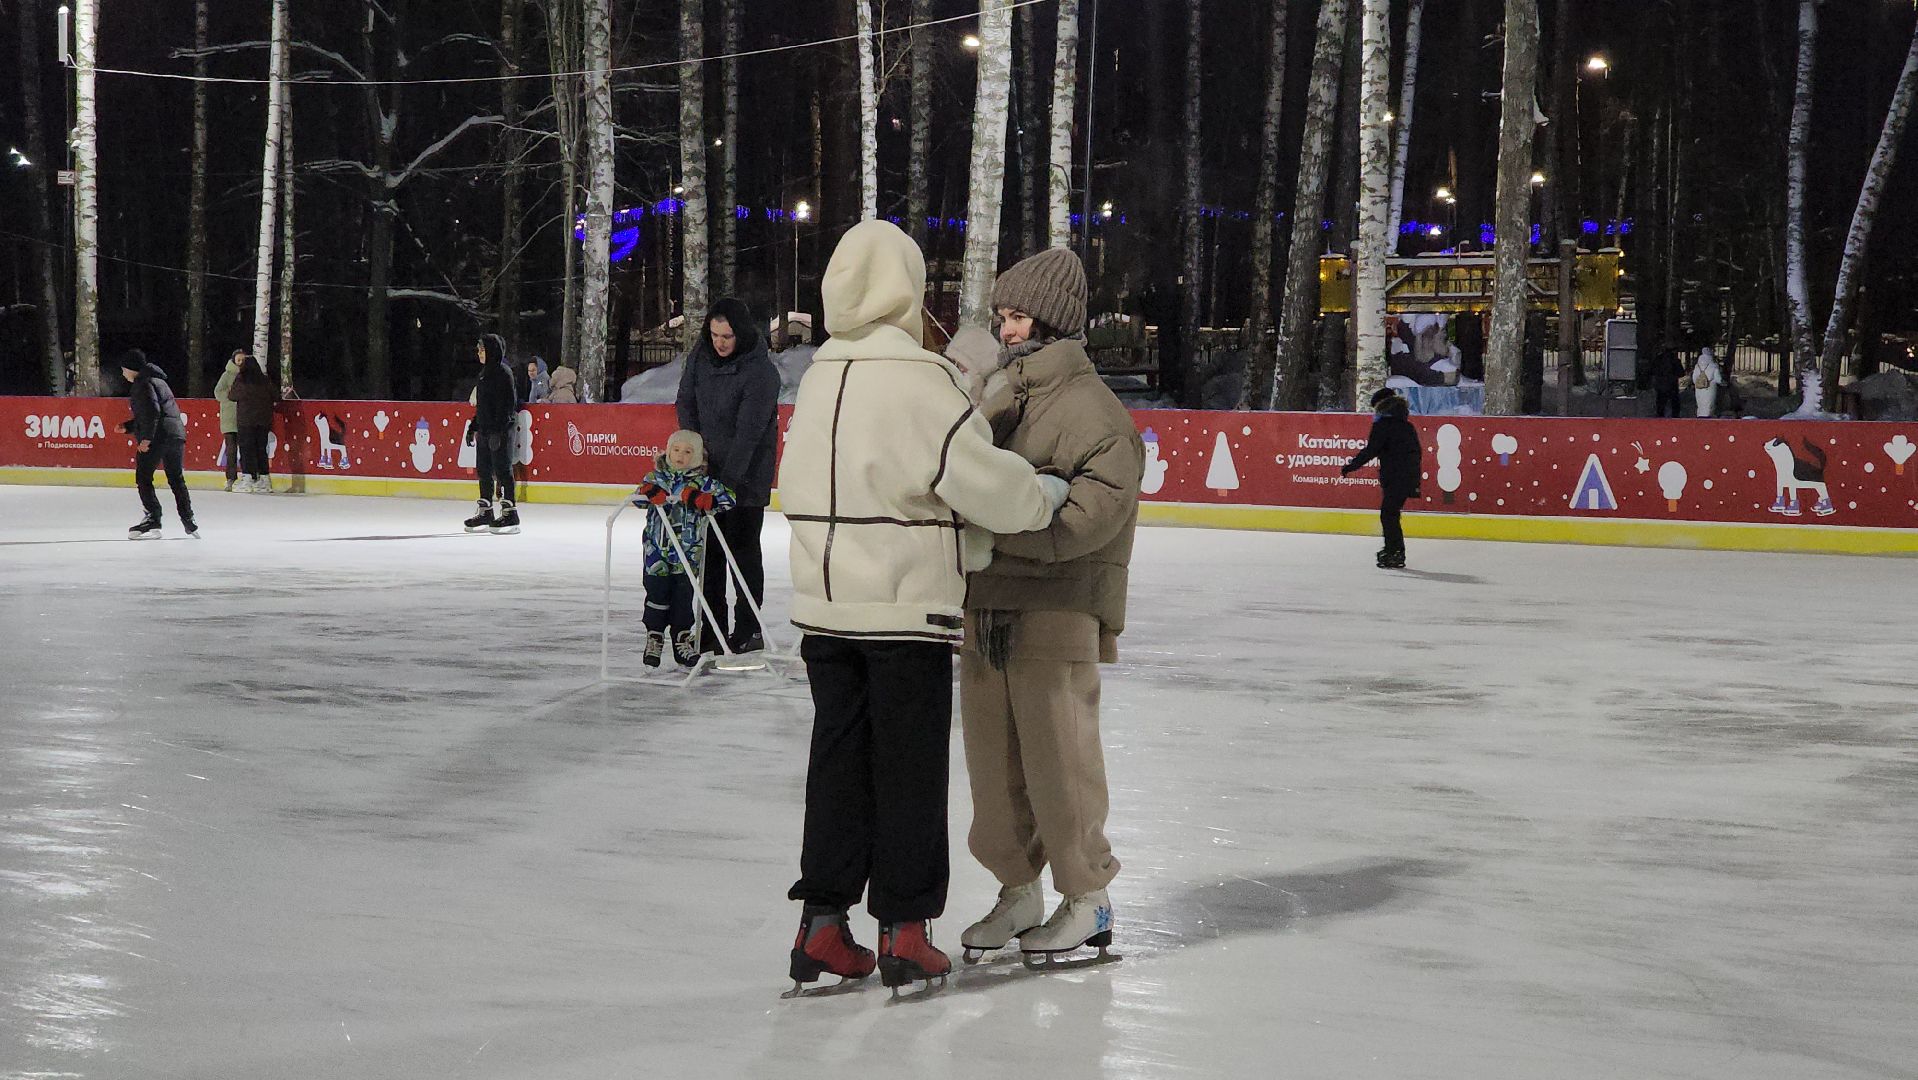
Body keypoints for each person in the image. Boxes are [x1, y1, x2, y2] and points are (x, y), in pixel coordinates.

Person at [777, 220, 1071, 997]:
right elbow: (978, 480)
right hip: (904, 609)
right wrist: (1040, 496)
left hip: (826, 606)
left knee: (836, 768)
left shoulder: (818, 374)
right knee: (907, 772)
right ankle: (907, 932)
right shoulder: (919, 379)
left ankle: (822, 926)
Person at [956, 247, 1144, 968]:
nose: (1004, 330)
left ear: (1054, 322)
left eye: (1017, 316)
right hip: (989, 608)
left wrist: (992, 526)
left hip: (1057, 612)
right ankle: (1019, 889)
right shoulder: (999, 396)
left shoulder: (1097, 413)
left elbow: (1085, 520)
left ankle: (1088, 897)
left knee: (1060, 762)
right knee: (994, 766)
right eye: (1001, 317)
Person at [677, 296, 780, 655]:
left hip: (746, 479)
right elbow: (686, 403)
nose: (719, 342)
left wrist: (727, 484)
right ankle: (710, 629)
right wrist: (695, 455)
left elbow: (749, 433)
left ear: (742, 334)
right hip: (707, 473)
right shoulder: (700, 358)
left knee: (742, 553)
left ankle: (748, 629)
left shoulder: (761, 372)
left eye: (727, 336)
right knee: (709, 557)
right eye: (715, 334)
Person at [632, 431, 736, 668]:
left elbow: (729, 499)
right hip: (656, 552)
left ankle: (682, 639)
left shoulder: (702, 482)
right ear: (668, 451)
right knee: (656, 594)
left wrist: (705, 500)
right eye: (676, 450)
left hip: (688, 554)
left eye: (688, 452)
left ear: (697, 456)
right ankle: (654, 636)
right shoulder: (656, 477)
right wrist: (649, 493)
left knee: (682, 597)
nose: (681, 456)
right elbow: (637, 497)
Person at [1341, 388, 1423, 569]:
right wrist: (1413, 479)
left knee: (1388, 514)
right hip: (1406, 476)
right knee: (1390, 514)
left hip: (1394, 477)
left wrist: (1350, 466)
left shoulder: (1383, 425)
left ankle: (1395, 551)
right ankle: (1394, 550)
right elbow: (1416, 453)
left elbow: (1371, 450)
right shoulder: (1406, 425)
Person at [119, 349, 198, 539]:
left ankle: (152, 518)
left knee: (143, 478)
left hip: (158, 437)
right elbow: (160, 411)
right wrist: (129, 426)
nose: (123, 374)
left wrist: (146, 438)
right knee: (176, 479)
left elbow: (152, 413)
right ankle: (189, 520)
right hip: (176, 434)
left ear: (132, 369)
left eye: (124, 370)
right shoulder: (159, 381)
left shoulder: (141, 384)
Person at [464, 334, 521, 534]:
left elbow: (507, 406)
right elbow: (483, 407)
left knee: (503, 470)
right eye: (478, 349)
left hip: (501, 431)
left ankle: (510, 513)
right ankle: (486, 510)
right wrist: (474, 426)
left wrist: (499, 431)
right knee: (484, 470)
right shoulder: (484, 375)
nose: (479, 353)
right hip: (486, 431)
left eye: (482, 349)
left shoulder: (503, 373)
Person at [228, 353, 277, 493]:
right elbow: (276, 396)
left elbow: (232, 396)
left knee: (246, 449)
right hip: (263, 421)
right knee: (261, 449)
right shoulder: (265, 380)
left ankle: (247, 479)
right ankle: (265, 480)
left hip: (246, 421)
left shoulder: (242, 379)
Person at [212, 349, 245, 491]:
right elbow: (218, 392)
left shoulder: (248, 376)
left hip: (245, 418)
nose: (241, 362)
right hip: (230, 418)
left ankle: (248, 477)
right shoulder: (227, 375)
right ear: (233, 361)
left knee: (246, 449)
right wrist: (231, 395)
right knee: (231, 450)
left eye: (243, 360)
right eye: (238, 360)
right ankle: (231, 478)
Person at [1651, 344, 1684, 418]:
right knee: (1674, 403)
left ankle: (1660, 418)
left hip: (1661, 384)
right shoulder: (1675, 360)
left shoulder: (1658, 359)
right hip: (1672, 384)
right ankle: (1675, 418)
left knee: (1660, 403)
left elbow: (1653, 371)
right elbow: (1681, 373)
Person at [1692, 345, 1723, 418]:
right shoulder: (1714, 366)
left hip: (1699, 388)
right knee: (1709, 405)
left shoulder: (1697, 366)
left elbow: (1694, 379)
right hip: (1710, 388)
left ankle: (1700, 416)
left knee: (1700, 404)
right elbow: (1718, 379)